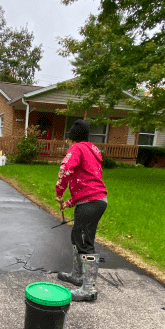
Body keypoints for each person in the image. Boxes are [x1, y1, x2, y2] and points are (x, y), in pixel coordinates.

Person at [55, 119, 108, 302]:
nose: (67, 145)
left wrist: (59, 192)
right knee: (78, 238)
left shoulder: (77, 148)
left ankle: (88, 289)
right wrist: (70, 202)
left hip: (90, 202)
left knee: (85, 243)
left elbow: (65, 168)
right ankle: (77, 276)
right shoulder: (92, 151)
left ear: (72, 138)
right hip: (94, 200)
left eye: (67, 141)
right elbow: (88, 182)